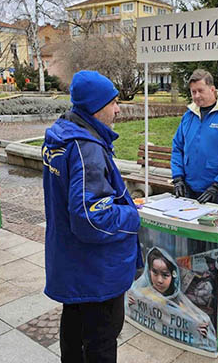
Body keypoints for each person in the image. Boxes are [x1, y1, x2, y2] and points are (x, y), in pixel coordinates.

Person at [42, 70, 142, 363]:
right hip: (96, 273)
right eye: (113, 103)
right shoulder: (86, 148)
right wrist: (131, 214)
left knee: (74, 334)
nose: (118, 108)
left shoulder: (62, 137)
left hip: (74, 266)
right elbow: (90, 218)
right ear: (97, 107)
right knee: (99, 341)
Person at [171, 69, 218, 204]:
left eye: (201, 90)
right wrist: (177, 177)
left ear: (212, 89)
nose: (196, 96)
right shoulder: (189, 115)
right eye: (193, 92)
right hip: (190, 187)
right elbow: (177, 147)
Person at [126, 247, 217, 352]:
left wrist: (199, 331)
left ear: (174, 277)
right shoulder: (140, 293)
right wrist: (128, 303)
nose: (159, 280)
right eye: (155, 273)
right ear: (148, 271)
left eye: (165, 275)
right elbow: (127, 308)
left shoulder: (178, 302)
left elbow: (192, 322)